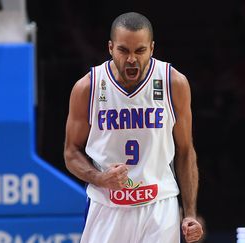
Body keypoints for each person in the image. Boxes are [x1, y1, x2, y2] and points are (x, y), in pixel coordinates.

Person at [63, 12, 203, 243]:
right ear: (110, 48)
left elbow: (186, 151)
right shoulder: (88, 88)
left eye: (140, 51)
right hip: (107, 206)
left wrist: (190, 214)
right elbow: (71, 152)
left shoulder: (173, 83)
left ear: (152, 48)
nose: (131, 59)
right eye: (123, 50)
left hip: (160, 205)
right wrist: (99, 178)